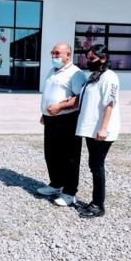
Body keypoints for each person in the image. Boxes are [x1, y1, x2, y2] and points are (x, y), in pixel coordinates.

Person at [37, 42, 88, 206]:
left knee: (69, 157)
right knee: (51, 154)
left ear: (68, 55)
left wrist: (60, 106)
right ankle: (56, 184)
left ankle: (70, 192)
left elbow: (82, 97)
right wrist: (44, 113)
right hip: (51, 119)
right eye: (52, 52)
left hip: (67, 120)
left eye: (57, 53)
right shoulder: (52, 71)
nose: (54, 56)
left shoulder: (76, 74)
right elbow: (49, 93)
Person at [75, 44, 120, 218]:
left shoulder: (110, 77)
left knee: (97, 165)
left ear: (103, 59)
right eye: (87, 58)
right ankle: (95, 201)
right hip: (91, 129)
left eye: (92, 58)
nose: (88, 61)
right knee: (93, 164)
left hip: (101, 131)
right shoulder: (94, 76)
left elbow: (110, 103)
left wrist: (103, 128)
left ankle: (98, 205)